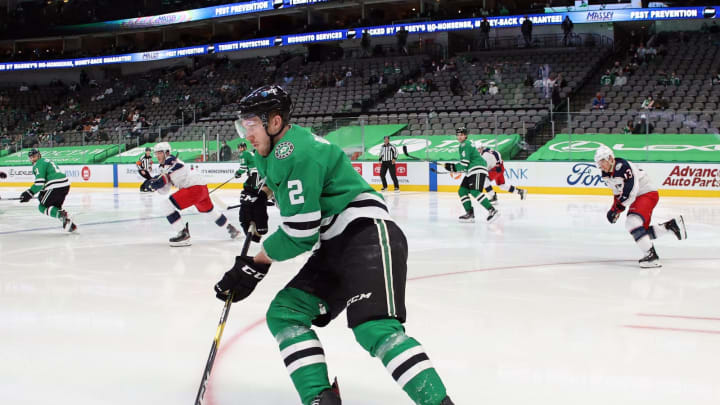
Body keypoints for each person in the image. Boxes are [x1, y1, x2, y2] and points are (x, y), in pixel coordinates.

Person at [215, 85, 455, 405]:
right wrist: (258, 196)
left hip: (366, 234)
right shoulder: (275, 149)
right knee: (286, 313)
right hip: (336, 245)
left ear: (274, 123)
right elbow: (270, 180)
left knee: (374, 327)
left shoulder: (296, 152)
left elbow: (301, 232)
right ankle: (320, 399)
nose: (246, 133)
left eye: (252, 124)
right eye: (242, 125)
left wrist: (256, 264)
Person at [594, 145, 686, 267]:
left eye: (602, 162)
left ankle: (652, 257)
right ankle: (671, 226)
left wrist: (617, 209)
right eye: (599, 163)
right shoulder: (606, 174)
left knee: (632, 222)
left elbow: (630, 192)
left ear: (610, 158)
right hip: (640, 196)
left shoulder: (623, 167)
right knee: (641, 231)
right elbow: (617, 193)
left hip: (646, 193)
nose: (601, 166)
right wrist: (614, 209)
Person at [146, 142, 240, 246]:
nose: (157, 156)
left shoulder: (171, 161)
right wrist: (155, 186)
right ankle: (231, 228)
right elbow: (165, 189)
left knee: (166, 205)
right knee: (210, 210)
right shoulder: (163, 167)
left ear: (166, 152)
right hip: (201, 188)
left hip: (194, 188)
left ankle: (183, 234)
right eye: (156, 153)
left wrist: (158, 181)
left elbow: (170, 176)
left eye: (159, 153)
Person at [444, 127, 499, 223]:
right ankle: (470, 214)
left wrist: (453, 167)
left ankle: (492, 210)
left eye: (462, 134)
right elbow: (465, 165)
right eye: (458, 135)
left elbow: (464, 163)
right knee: (462, 191)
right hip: (471, 170)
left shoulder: (465, 144)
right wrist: (453, 167)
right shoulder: (463, 145)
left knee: (474, 191)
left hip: (477, 169)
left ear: (465, 136)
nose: (459, 136)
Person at [19, 148, 77, 232]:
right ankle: (68, 223)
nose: (32, 159)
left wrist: (29, 193)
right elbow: (45, 181)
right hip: (64, 186)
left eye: (34, 156)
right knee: (53, 207)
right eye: (31, 157)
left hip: (55, 186)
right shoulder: (46, 161)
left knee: (42, 206)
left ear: (39, 155)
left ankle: (62, 215)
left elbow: (39, 182)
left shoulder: (38, 164)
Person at [234, 142, 268, 242]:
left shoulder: (244, 154)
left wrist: (238, 173)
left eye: (241, 147)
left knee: (252, 190)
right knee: (250, 187)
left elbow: (243, 168)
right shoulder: (249, 153)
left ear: (244, 148)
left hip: (256, 172)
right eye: (239, 147)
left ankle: (258, 201)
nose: (240, 149)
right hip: (257, 172)